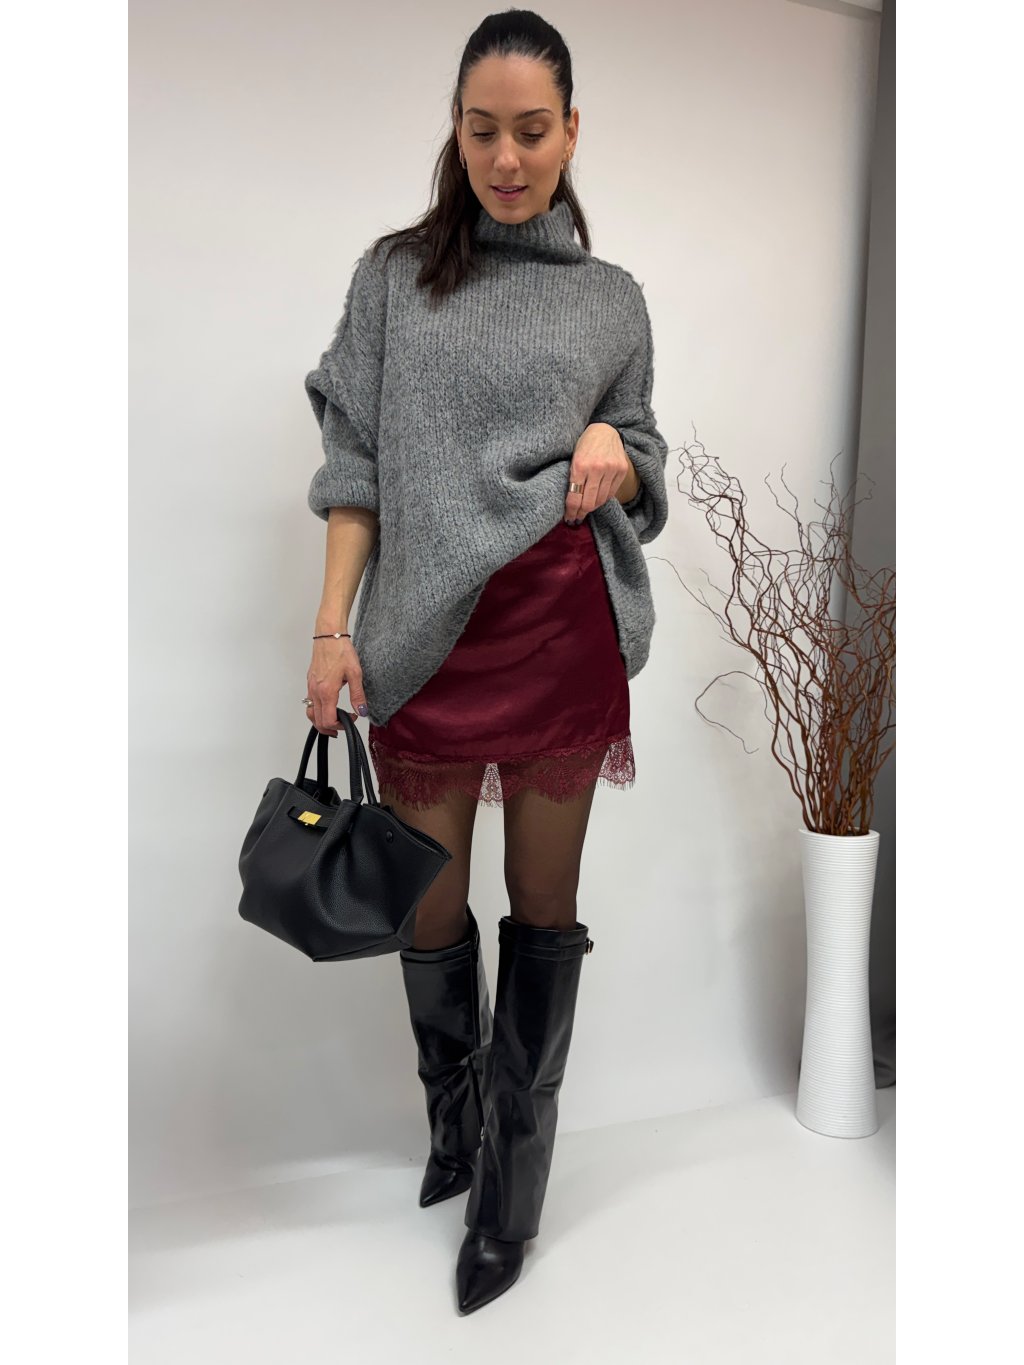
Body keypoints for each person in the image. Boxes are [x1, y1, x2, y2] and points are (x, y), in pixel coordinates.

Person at [301, 9, 669, 1315]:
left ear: (571, 133)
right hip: (425, 637)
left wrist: (621, 453)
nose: (506, 158)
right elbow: (353, 466)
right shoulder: (395, 278)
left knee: (544, 912)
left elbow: (644, 450)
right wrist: (333, 627)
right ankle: (453, 1123)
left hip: (562, 630)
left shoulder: (611, 300)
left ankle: (511, 1191)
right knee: (431, 907)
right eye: (482, 130)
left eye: (531, 130)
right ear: (454, 133)